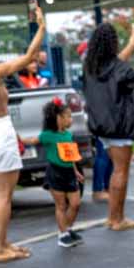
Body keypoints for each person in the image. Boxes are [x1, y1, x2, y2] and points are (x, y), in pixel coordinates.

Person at [0, 4, 46, 263]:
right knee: (4, 196)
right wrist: (41, 27)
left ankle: (4, 243)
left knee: (1, 193)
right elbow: (29, 58)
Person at [83, 21, 134, 230]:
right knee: (120, 172)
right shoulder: (120, 69)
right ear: (112, 43)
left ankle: (114, 217)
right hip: (118, 127)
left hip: (101, 128)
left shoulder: (90, 67)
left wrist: (132, 42)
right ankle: (117, 219)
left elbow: (117, 65)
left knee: (116, 171)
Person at [21, 99, 86, 247]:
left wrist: (76, 171)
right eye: (68, 116)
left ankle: (67, 228)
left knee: (75, 204)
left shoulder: (68, 135)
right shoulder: (48, 135)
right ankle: (63, 235)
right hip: (55, 172)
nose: (71, 119)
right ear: (58, 118)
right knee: (61, 205)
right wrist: (19, 139)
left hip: (69, 172)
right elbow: (32, 140)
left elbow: (71, 156)